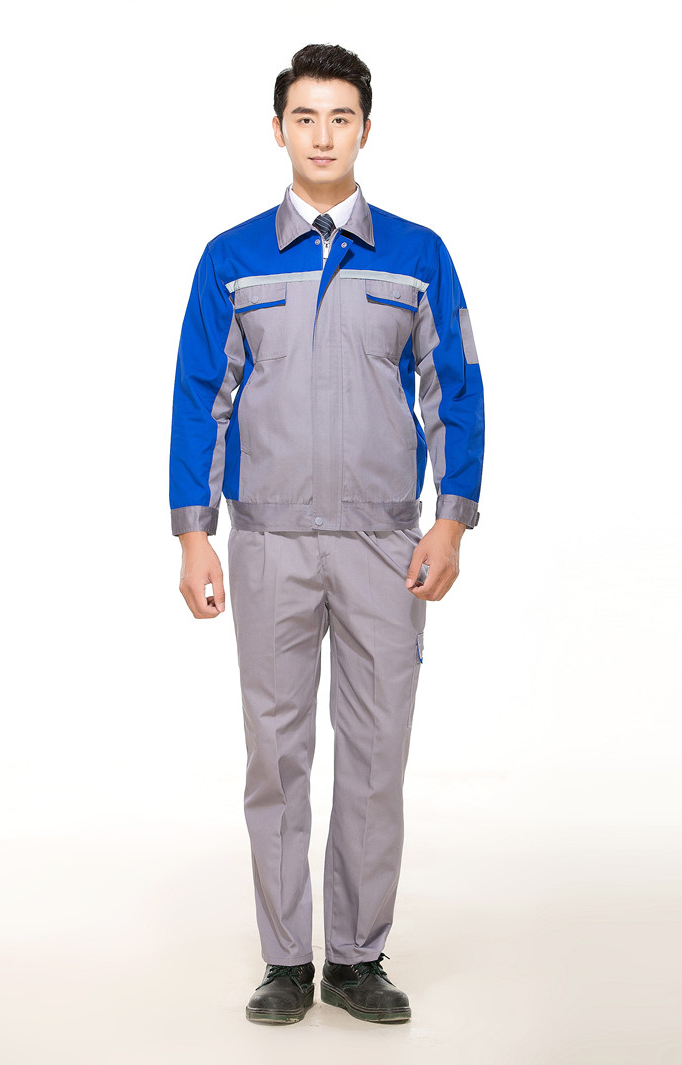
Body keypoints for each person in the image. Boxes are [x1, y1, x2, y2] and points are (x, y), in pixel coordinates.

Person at [168, 42, 485, 1026]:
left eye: (339, 117)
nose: (321, 135)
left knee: (376, 751)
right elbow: (200, 397)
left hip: (385, 545)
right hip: (267, 542)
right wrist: (193, 534)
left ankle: (354, 957)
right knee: (276, 754)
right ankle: (283, 960)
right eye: (303, 117)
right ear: (278, 129)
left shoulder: (417, 255)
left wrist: (451, 520)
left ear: (365, 130)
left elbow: (455, 390)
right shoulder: (231, 259)